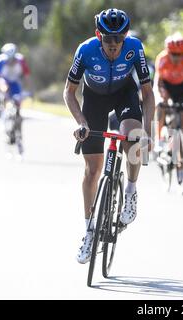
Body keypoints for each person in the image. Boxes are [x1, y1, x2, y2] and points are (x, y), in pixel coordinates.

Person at [63, 8, 155, 264]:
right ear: (98, 35)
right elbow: (69, 93)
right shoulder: (85, 50)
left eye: (118, 42)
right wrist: (81, 121)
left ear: (125, 37)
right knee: (92, 171)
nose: (113, 48)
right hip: (94, 99)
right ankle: (89, 231)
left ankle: (131, 191)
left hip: (125, 93)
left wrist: (147, 130)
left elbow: (147, 94)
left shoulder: (135, 48)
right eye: (108, 41)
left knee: (132, 137)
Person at [153, 33, 183, 152]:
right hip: (165, 85)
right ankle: (158, 139)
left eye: (179, 54)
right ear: (168, 51)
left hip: (180, 87)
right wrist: (160, 95)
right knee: (161, 105)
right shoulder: (162, 58)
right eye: (173, 54)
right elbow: (158, 81)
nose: (176, 58)